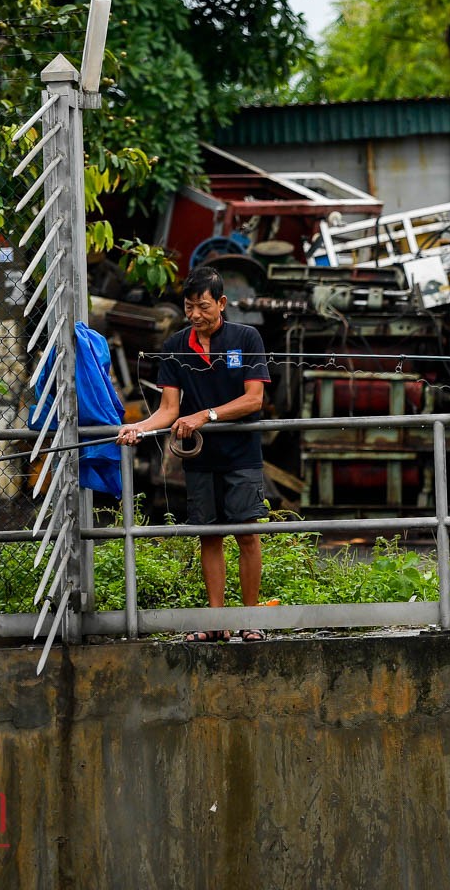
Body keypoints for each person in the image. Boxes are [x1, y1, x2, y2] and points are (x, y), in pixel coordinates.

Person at [119, 267, 272, 641]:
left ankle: (251, 621)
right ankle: (214, 621)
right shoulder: (175, 347)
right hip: (200, 457)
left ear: (221, 303)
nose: (196, 315)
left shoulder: (245, 338)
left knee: (247, 535)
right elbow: (169, 409)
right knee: (208, 535)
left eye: (203, 306)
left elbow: (254, 398)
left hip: (241, 453)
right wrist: (139, 428)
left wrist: (205, 415)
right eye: (190, 307)